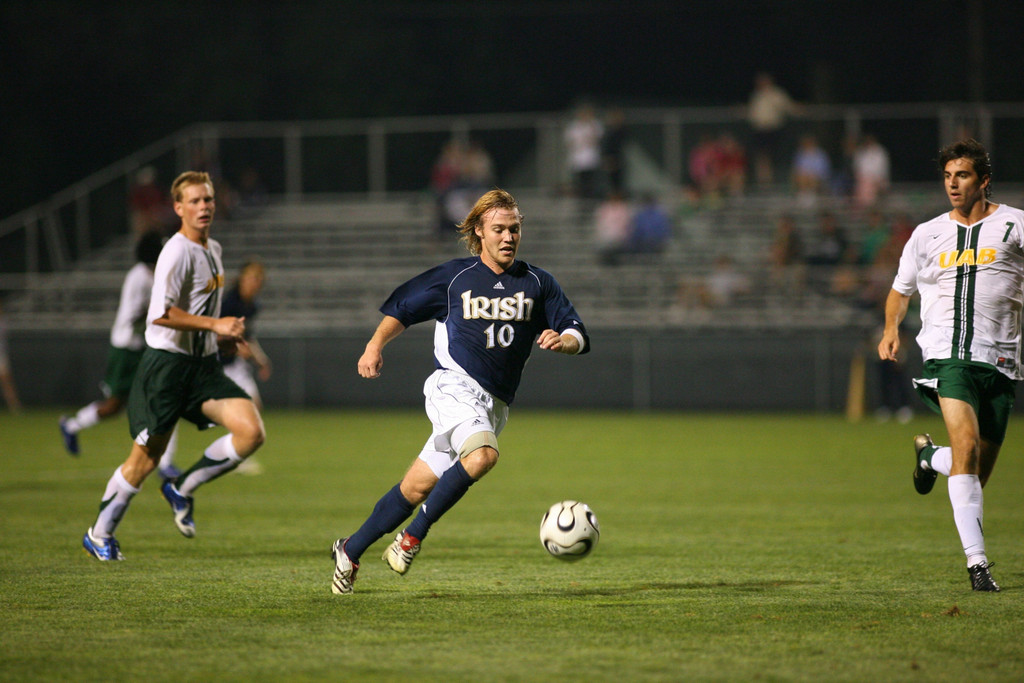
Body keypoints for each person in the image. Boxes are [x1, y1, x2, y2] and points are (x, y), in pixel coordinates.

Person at [330, 188, 590, 595]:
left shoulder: (538, 282)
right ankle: (411, 538)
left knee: (415, 487)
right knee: (483, 454)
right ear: (479, 233)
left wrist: (565, 341)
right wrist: (374, 345)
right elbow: (402, 308)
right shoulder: (454, 278)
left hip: (496, 405)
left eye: (515, 229)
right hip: (452, 386)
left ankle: (350, 549)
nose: (508, 237)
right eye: (499, 229)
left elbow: (577, 330)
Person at [81, 171, 266, 561]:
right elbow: (160, 313)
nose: (203, 207)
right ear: (178, 207)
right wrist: (215, 324)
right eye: (195, 201)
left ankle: (181, 487)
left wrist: (220, 335)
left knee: (251, 431)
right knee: (144, 460)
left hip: (201, 368)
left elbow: (200, 311)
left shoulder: (212, 248)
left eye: (208, 200)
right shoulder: (176, 251)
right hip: (166, 369)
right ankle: (99, 533)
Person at [878, 138, 1024, 592]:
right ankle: (977, 566)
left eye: (961, 176)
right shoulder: (927, 234)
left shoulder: (1015, 225)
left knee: (973, 470)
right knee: (967, 447)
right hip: (949, 356)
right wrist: (890, 329)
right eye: (947, 176)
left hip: (999, 361)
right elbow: (901, 291)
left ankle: (928, 457)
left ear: (983, 180)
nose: (952, 184)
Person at [59, 231, 181, 480]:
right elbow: (136, 316)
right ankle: (72, 425)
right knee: (120, 405)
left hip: (139, 347)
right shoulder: (140, 277)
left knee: (163, 397)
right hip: (127, 347)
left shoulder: (151, 275)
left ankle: (165, 462)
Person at [0, 300, 21, 413]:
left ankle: (14, 406)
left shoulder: (2, 323)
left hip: (1, 355)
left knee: (6, 383)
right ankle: (14, 406)